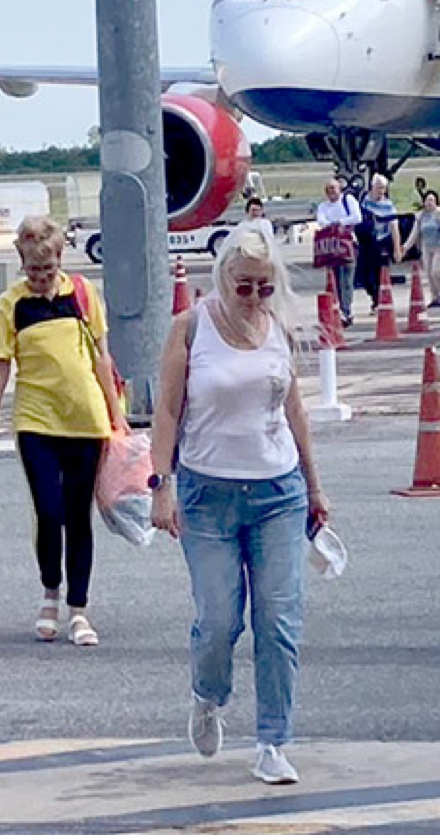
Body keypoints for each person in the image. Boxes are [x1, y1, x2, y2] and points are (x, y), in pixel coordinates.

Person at [151, 229, 330, 786]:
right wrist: (162, 484)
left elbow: (295, 410)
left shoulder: (275, 327)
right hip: (208, 495)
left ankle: (273, 740)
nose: (254, 298)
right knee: (218, 621)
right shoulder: (192, 327)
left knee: (278, 622)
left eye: (264, 288)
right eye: (245, 286)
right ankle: (208, 694)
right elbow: (167, 413)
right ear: (222, 277)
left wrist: (315, 486)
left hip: (278, 491)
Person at [0, 217, 129, 647]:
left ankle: (79, 609)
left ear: (60, 259)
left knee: (79, 514)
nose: (41, 279)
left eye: (48, 269)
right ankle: (50, 590)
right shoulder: (12, 304)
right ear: (22, 264)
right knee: (49, 509)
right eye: (33, 270)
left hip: (85, 418)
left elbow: (102, 356)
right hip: (35, 419)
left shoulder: (81, 294)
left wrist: (116, 417)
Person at [313, 179, 363, 327]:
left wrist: (339, 223)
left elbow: (357, 217)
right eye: (328, 189)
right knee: (334, 279)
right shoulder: (323, 206)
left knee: (346, 280)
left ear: (339, 189)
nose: (331, 192)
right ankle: (338, 309)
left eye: (333, 188)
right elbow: (321, 221)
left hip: (347, 245)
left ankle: (346, 310)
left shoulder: (348, 200)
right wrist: (332, 225)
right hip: (331, 248)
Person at [400, 189, 440, 309]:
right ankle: (435, 297)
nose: (429, 203)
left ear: (436, 201)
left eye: (432, 200)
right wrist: (405, 247)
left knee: (436, 271)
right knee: (429, 273)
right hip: (426, 247)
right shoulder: (421, 216)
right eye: (427, 200)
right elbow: (415, 233)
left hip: (439, 246)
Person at [357, 174, 400, 307]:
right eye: (378, 188)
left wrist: (397, 249)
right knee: (364, 274)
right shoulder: (363, 200)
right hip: (365, 242)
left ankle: (379, 299)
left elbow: (394, 228)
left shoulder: (388, 205)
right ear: (372, 187)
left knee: (379, 272)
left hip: (381, 242)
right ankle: (373, 294)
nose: (381, 191)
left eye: (383, 188)